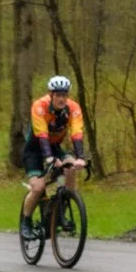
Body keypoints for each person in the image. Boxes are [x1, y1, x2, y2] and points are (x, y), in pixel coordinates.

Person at [20, 75, 88, 237]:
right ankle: (26, 222)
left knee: (70, 167)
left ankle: (63, 205)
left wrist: (80, 157)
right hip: (35, 150)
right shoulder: (39, 106)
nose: (61, 99)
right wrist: (48, 158)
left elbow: (77, 133)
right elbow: (42, 135)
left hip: (55, 147)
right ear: (51, 95)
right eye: (58, 95)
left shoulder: (73, 108)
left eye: (64, 95)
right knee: (38, 188)